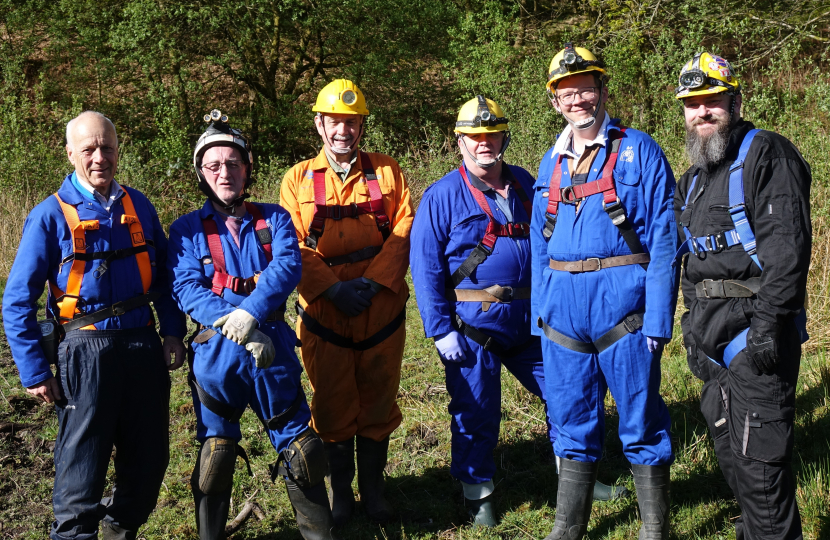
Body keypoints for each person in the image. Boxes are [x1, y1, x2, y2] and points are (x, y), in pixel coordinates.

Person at [410, 96, 628, 527]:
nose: (484, 144)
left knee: (571, 393)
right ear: (460, 143)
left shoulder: (527, 182)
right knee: (476, 409)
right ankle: (479, 496)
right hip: (476, 328)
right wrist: (439, 330)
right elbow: (425, 266)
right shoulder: (441, 197)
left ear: (503, 137)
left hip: (535, 320)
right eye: (475, 137)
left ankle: (578, 478)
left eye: (491, 135)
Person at [1, 111, 188, 540]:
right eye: (88, 149)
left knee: (150, 460)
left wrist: (172, 331)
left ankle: (120, 530)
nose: (99, 156)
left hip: (142, 345)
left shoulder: (139, 205)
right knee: (82, 470)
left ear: (118, 149)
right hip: (84, 352)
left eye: (107, 146)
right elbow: (16, 302)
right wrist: (34, 371)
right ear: (71, 154)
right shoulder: (49, 215)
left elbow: (165, 279)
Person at [530, 44, 678, 539]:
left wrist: (658, 316)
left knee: (640, 419)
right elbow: (537, 246)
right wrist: (540, 316)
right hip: (563, 317)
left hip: (625, 310)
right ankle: (567, 528)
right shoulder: (550, 163)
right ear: (554, 101)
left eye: (585, 88)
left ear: (602, 90)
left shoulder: (641, 149)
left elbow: (664, 237)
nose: (577, 100)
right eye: (566, 93)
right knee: (570, 418)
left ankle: (654, 528)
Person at [167, 110, 337, 540]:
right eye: (214, 165)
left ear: (247, 168)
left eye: (233, 163)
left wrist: (251, 314)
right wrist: (233, 322)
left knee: (304, 450)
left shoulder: (275, 218)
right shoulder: (185, 231)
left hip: (274, 349)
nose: (225, 173)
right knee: (216, 456)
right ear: (201, 173)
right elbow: (187, 287)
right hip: (217, 354)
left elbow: (286, 268)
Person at [673, 52, 811, 540]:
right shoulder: (691, 181)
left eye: (712, 101)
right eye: (692, 104)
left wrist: (766, 334)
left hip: (756, 338)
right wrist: (692, 332)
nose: (702, 112)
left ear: (734, 100)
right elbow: (689, 261)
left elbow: (787, 255)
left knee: (762, 473)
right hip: (712, 344)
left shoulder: (766, 156)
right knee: (734, 461)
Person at [279, 80, 413, 525]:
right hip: (325, 314)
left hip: (381, 313)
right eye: (334, 121)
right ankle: (340, 497)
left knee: (378, 402)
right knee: (332, 405)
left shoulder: (388, 171)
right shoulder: (296, 179)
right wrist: (333, 289)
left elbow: (403, 229)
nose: (342, 131)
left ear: (361, 126)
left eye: (351, 123)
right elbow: (290, 245)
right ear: (319, 124)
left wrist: (373, 285)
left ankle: (374, 495)